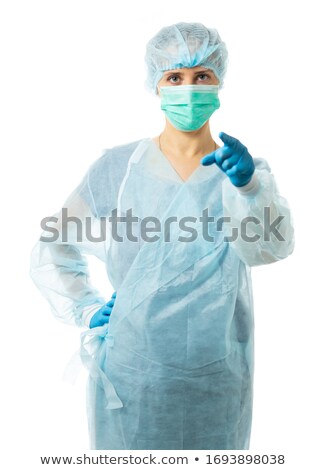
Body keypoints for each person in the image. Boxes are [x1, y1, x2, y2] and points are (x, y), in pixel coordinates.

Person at [30, 22, 295, 450]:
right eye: (175, 77)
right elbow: (54, 245)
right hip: (135, 377)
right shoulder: (118, 170)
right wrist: (86, 308)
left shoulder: (241, 172)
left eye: (201, 76)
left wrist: (248, 188)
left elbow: (271, 249)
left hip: (218, 377)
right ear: (157, 85)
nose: (189, 88)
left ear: (219, 81)